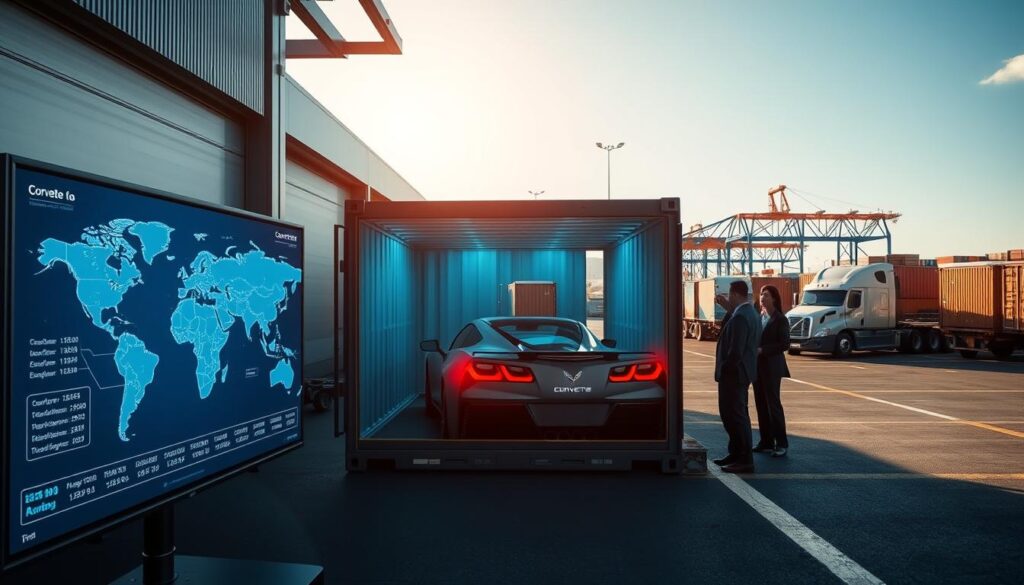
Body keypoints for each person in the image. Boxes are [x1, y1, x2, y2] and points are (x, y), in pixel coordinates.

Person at [713, 280, 762, 473]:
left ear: (734, 294)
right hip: (743, 373)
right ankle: (736, 453)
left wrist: (725, 369)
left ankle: (744, 459)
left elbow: (736, 351)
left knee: (734, 416)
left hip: (734, 375)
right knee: (737, 415)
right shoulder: (750, 313)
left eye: (729, 296)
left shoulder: (741, 317)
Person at [753, 285, 791, 457]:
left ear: (774, 298)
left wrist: (763, 350)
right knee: (760, 404)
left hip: (772, 366)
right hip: (758, 367)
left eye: (766, 295)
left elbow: (784, 344)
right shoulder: (759, 317)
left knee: (773, 405)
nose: (762, 297)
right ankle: (766, 441)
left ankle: (781, 443)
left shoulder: (780, 319)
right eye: (761, 294)